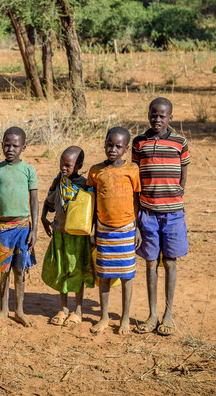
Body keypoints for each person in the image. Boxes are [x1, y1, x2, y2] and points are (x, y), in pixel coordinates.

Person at [132, 97, 190, 337]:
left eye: (162, 116)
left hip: (174, 214)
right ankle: (152, 314)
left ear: (170, 118)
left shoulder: (180, 142)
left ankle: (168, 314)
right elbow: (135, 180)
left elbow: (183, 172)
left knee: (171, 262)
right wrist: (137, 218)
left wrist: (177, 193)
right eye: (153, 115)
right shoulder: (139, 142)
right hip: (147, 213)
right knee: (151, 263)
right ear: (148, 115)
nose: (157, 120)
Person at [0, 127, 38, 327]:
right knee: (2, 271)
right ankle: (3, 309)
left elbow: (35, 200)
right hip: (1, 229)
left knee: (20, 269)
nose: (10, 149)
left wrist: (35, 229)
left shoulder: (28, 170)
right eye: (6, 145)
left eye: (15, 146)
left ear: (23, 147)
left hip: (22, 228)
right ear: (2, 144)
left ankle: (19, 310)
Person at [87, 127, 141, 335]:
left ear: (125, 149)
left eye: (118, 146)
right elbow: (91, 202)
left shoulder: (132, 170)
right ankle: (104, 317)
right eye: (110, 144)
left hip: (126, 229)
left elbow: (137, 200)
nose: (113, 149)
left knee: (127, 275)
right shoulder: (95, 171)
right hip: (103, 229)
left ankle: (125, 318)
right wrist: (92, 230)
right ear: (104, 144)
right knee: (104, 275)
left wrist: (137, 228)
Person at [40, 146, 94, 327]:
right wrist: (43, 217)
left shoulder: (84, 185)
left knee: (77, 271)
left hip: (77, 237)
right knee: (61, 270)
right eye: (62, 164)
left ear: (78, 165)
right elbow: (49, 200)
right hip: (59, 234)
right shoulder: (59, 182)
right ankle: (63, 308)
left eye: (68, 165)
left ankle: (78, 310)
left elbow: (91, 209)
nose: (64, 168)